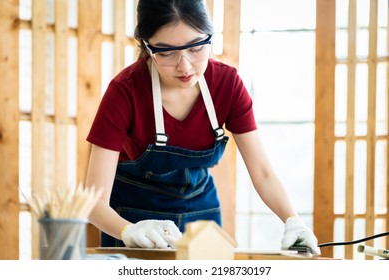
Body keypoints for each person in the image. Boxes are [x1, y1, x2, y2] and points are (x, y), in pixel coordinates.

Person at [85, 0, 321, 254]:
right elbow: (94, 201)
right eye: (166, 52)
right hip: (133, 216)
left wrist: (293, 221)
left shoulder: (227, 84)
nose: (185, 66)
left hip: (201, 214)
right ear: (146, 47)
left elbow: (263, 173)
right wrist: (127, 230)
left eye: (196, 47)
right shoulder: (125, 92)